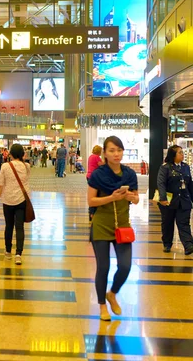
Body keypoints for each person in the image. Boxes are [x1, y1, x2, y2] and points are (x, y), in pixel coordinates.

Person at [87, 136, 138, 321]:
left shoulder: (129, 174)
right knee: (103, 267)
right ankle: (102, 306)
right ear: (105, 154)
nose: (116, 154)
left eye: (119, 150)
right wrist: (112, 197)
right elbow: (91, 201)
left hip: (122, 225)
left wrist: (131, 197)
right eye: (112, 150)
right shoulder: (98, 175)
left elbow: (136, 198)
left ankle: (112, 293)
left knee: (125, 266)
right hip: (101, 224)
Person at [0, 144, 31, 266]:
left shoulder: (5, 166)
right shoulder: (27, 166)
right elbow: (26, 180)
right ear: (21, 154)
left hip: (8, 200)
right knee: (19, 227)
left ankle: (8, 251)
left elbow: (0, 185)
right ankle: (18, 254)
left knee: (9, 226)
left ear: (10, 154)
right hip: (22, 200)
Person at [157, 145, 193, 255]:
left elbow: (190, 184)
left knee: (184, 223)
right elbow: (161, 183)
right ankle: (167, 244)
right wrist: (162, 198)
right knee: (167, 223)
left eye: (182, 152)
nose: (182, 154)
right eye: (180, 152)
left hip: (184, 200)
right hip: (169, 201)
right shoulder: (165, 167)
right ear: (173, 155)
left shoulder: (186, 167)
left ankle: (188, 245)